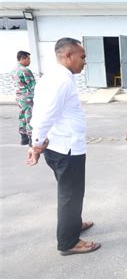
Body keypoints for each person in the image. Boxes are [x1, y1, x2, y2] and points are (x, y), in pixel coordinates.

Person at [26, 37, 100, 256]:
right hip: (66, 148)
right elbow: (45, 115)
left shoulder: (53, 76)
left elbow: (38, 111)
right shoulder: (61, 80)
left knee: (71, 192)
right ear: (68, 55)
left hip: (59, 145)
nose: (85, 62)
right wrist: (36, 144)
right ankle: (69, 242)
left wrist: (37, 142)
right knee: (71, 194)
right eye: (82, 56)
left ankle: (74, 224)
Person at [11, 51, 36, 145]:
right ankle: (31, 139)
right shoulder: (25, 70)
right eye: (28, 59)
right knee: (30, 117)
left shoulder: (14, 70)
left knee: (23, 116)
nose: (30, 61)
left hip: (19, 97)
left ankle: (23, 137)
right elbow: (33, 86)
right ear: (22, 58)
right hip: (28, 97)